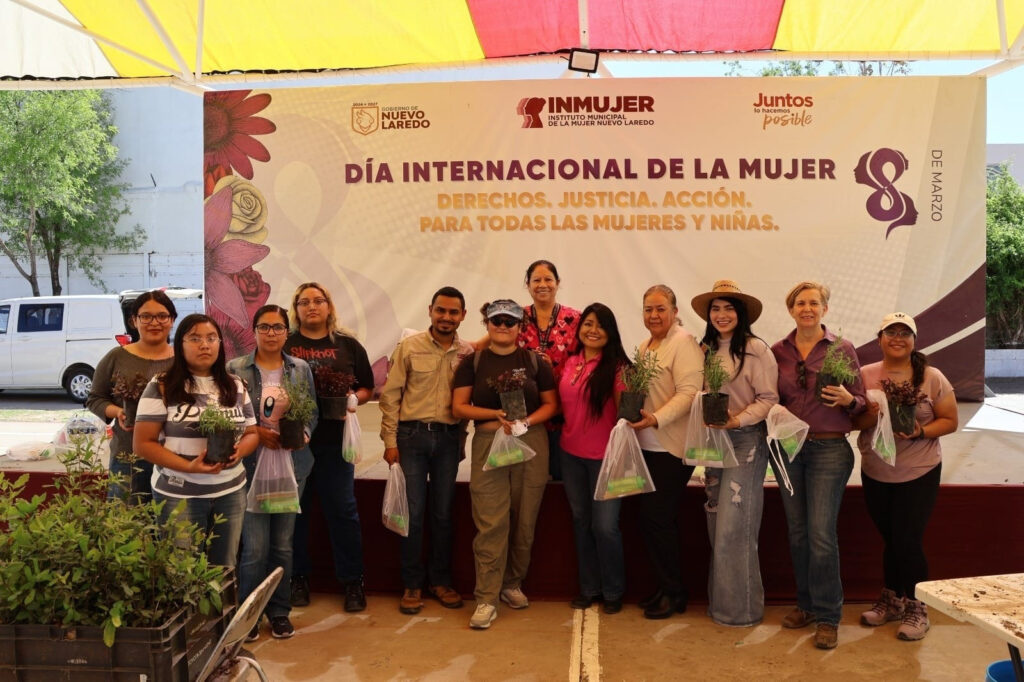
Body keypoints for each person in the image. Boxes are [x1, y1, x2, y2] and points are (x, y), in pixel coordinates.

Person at [771, 281, 866, 650]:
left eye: (814, 302)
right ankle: (806, 604)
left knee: (821, 535)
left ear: (825, 309)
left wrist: (847, 398)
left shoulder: (842, 349)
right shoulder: (778, 351)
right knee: (798, 532)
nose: (806, 308)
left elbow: (860, 401)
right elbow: (770, 399)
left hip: (829, 450)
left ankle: (828, 616)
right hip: (789, 450)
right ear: (791, 308)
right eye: (800, 303)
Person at [452, 300, 558, 630]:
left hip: (530, 442)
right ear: (486, 323)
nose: (502, 325)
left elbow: (550, 405)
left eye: (509, 321)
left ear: (520, 326)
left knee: (524, 519)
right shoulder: (473, 361)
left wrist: (525, 420)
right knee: (491, 522)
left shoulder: (535, 362)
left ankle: (512, 583)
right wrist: (494, 416)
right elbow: (458, 407)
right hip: (489, 443)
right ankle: (486, 597)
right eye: (496, 320)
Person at [853, 312, 957, 641]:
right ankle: (892, 599)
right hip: (876, 470)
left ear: (914, 340)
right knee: (892, 538)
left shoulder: (931, 376)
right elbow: (854, 424)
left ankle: (917, 605)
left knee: (907, 540)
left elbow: (950, 420)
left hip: (919, 471)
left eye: (904, 333)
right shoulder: (865, 375)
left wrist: (921, 430)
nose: (897, 338)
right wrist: (870, 415)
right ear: (880, 338)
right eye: (890, 332)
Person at [133, 313, 259, 566]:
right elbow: (142, 444)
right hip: (179, 493)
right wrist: (188, 466)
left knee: (224, 567)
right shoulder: (162, 386)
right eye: (195, 338)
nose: (205, 344)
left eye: (212, 338)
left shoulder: (235, 385)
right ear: (180, 344)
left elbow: (252, 433)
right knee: (182, 571)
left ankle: (221, 609)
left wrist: (240, 451)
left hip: (231, 491)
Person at [379, 286, 474, 615]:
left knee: (444, 514)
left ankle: (440, 581)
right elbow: (390, 396)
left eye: (453, 312)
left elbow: (467, 402)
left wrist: (461, 440)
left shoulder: (468, 353)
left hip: (448, 440)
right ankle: (412, 584)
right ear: (430, 310)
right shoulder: (409, 346)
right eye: (441, 311)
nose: (446, 317)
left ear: (463, 315)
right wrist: (390, 441)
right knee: (414, 515)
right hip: (411, 439)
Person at [690, 280, 778, 627]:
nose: (722, 315)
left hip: (746, 443)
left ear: (740, 314)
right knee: (716, 524)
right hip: (713, 444)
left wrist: (737, 420)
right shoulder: (703, 350)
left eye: (729, 308)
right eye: (716, 309)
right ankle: (721, 606)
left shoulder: (757, 350)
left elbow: (769, 399)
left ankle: (742, 611)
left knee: (735, 528)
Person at [227, 305, 318, 641]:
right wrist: (253, 434)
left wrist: (303, 435)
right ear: (254, 331)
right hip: (250, 466)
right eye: (264, 327)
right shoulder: (235, 368)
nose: (271, 333)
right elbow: (227, 415)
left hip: (292, 467)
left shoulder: (300, 369)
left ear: (286, 332)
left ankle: (279, 612)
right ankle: (248, 614)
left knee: (283, 545)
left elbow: (312, 413)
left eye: (278, 327)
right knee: (253, 547)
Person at [283, 282, 375, 612]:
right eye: (304, 302)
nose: (312, 306)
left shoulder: (347, 345)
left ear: (329, 306)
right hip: (294, 444)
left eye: (318, 301)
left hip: (336, 444)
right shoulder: (285, 344)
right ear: (296, 309)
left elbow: (367, 386)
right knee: (297, 513)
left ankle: (352, 582)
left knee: (343, 511)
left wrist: (354, 399)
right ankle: (298, 579)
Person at [629, 285, 703, 619]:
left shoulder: (683, 342)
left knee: (656, 517)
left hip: (671, 446)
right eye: (648, 309)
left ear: (674, 311)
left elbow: (690, 393)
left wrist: (657, 418)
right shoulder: (646, 346)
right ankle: (664, 587)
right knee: (652, 520)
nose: (654, 315)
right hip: (646, 445)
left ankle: (675, 593)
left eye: (660, 309)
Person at [557, 302, 629, 615]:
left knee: (605, 527)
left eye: (600, 325)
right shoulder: (570, 361)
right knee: (581, 522)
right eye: (588, 323)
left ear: (610, 332)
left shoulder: (617, 367)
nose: (593, 330)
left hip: (606, 460)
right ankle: (589, 589)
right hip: (570, 455)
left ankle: (613, 590)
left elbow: (625, 418)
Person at [87, 290, 176, 503]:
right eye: (146, 316)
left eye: (162, 316)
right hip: (127, 455)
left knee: (167, 524)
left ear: (172, 320)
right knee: (126, 524)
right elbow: (95, 398)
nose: (154, 322)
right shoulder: (117, 357)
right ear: (134, 321)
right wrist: (118, 412)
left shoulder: (183, 360)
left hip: (173, 456)